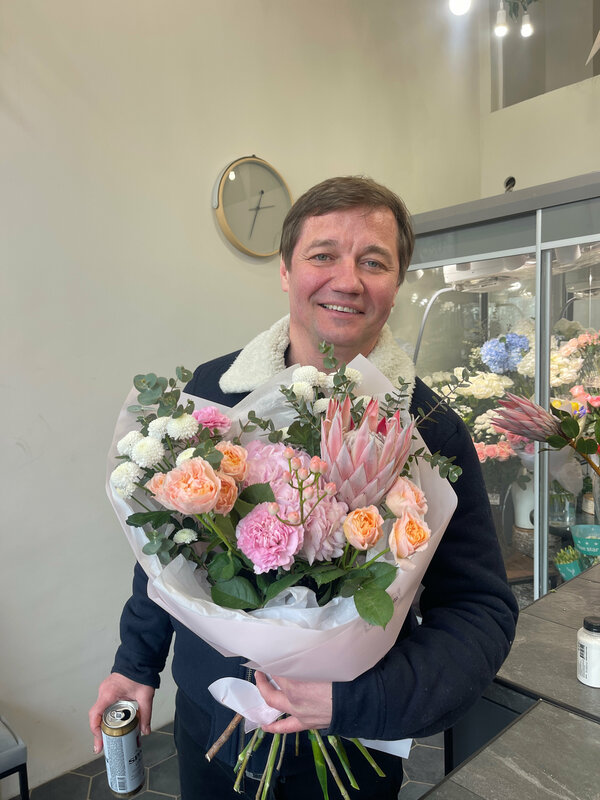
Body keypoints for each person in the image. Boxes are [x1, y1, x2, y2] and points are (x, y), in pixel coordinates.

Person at [90, 176, 518, 799]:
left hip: (351, 751)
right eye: (323, 255)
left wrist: (355, 700)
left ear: (396, 285)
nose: (348, 280)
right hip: (211, 725)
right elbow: (168, 551)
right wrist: (136, 663)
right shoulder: (213, 396)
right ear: (286, 270)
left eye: (374, 262)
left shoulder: (428, 429)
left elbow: (479, 611)